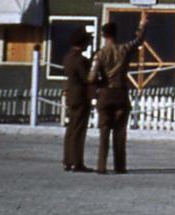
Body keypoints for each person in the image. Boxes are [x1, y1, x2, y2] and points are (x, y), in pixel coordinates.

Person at [89, 12, 147, 174]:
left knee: (104, 133)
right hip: (121, 92)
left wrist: (100, 83)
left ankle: (101, 166)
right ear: (115, 34)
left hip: (105, 94)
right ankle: (120, 166)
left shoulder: (99, 54)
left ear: (103, 35)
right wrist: (142, 25)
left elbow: (92, 77)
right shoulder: (124, 49)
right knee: (120, 133)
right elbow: (138, 41)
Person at [62, 26, 95, 172]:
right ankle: (77, 161)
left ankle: (68, 160)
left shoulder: (68, 57)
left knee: (71, 129)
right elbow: (87, 78)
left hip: (71, 95)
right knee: (79, 130)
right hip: (80, 97)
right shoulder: (80, 60)